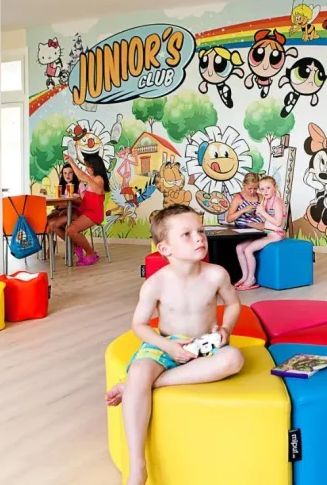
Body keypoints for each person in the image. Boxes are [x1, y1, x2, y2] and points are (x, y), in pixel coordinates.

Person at [104, 205, 244, 485]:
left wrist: (225, 329)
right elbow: (140, 325)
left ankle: (140, 385)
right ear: (165, 248)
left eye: (200, 231)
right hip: (166, 344)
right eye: (187, 234)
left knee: (234, 359)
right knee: (141, 370)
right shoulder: (156, 284)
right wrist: (167, 347)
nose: (199, 237)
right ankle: (138, 466)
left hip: (204, 344)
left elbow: (233, 304)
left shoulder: (216, 274)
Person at [58, 152, 110, 266]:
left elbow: (99, 191)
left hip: (93, 213)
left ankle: (90, 253)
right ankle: (76, 246)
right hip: (85, 210)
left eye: (88, 166)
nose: (87, 169)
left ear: (94, 166)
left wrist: (86, 178)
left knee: (71, 230)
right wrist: (71, 161)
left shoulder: (99, 179)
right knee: (61, 219)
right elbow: (80, 174)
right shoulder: (92, 178)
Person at [234, 176, 284, 291]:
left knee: (248, 250)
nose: (265, 191)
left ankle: (251, 279)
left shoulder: (277, 202)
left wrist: (263, 213)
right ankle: (245, 276)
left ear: (275, 187)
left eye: (268, 188)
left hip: (275, 234)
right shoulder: (265, 201)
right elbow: (265, 221)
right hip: (267, 233)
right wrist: (260, 214)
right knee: (239, 247)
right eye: (262, 189)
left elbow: (278, 222)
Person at [47, 163, 81, 230]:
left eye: (70, 173)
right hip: (59, 209)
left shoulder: (79, 185)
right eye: (65, 173)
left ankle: (68, 236)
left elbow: (83, 203)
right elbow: (56, 206)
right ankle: (52, 238)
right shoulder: (61, 186)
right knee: (48, 218)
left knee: (59, 217)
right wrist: (56, 200)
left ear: (74, 173)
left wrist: (72, 198)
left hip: (72, 209)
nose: (67, 175)